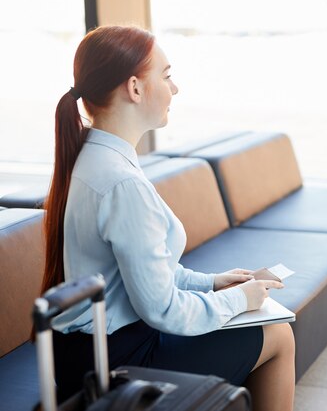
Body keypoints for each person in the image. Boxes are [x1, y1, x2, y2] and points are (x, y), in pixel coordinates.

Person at [40, 25, 295, 411]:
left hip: (90, 349)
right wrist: (240, 300)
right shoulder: (121, 181)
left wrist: (213, 284)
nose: (174, 89)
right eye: (167, 75)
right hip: (114, 361)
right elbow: (162, 309)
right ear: (135, 89)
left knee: (259, 327)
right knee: (277, 334)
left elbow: (141, 275)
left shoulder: (96, 158)